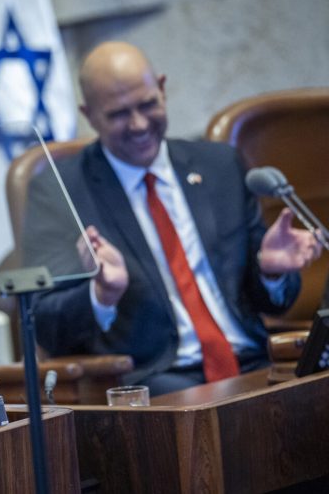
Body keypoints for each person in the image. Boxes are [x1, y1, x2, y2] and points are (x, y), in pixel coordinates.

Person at [25, 41, 321, 396]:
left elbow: (273, 302)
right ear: (89, 115)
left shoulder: (220, 166)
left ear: (162, 88)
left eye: (147, 104)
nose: (138, 124)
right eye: (118, 113)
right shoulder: (62, 190)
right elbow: (44, 324)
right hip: (156, 380)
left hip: (256, 363)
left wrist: (272, 272)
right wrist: (102, 294)